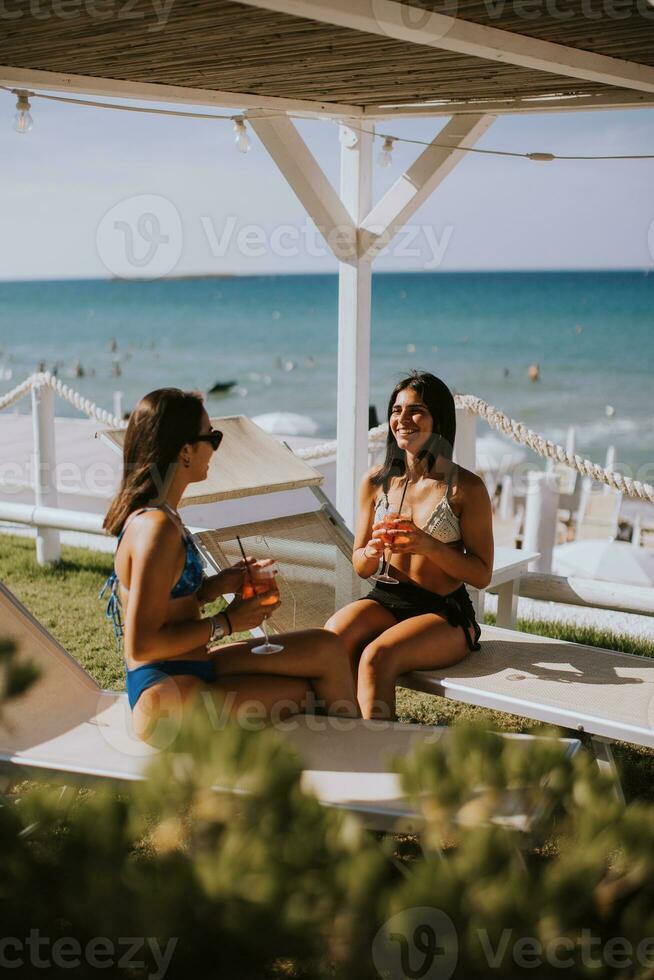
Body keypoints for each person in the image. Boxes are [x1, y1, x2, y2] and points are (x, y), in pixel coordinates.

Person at [101, 388, 357, 742]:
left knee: (326, 649)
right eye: (213, 437)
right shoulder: (155, 528)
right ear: (185, 451)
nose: (216, 448)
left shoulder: (164, 516)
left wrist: (214, 587)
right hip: (168, 696)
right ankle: (354, 758)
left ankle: (357, 746)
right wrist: (227, 622)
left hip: (190, 666)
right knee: (312, 694)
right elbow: (141, 645)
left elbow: (166, 604)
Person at [326, 372, 493, 720]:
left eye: (416, 410)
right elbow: (360, 564)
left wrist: (427, 545)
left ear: (440, 420)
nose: (402, 419)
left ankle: (378, 760)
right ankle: (334, 743)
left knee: (377, 656)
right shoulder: (375, 482)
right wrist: (372, 552)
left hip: (443, 612)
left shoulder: (466, 488)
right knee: (329, 643)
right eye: (396, 410)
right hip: (387, 600)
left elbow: (481, 574)